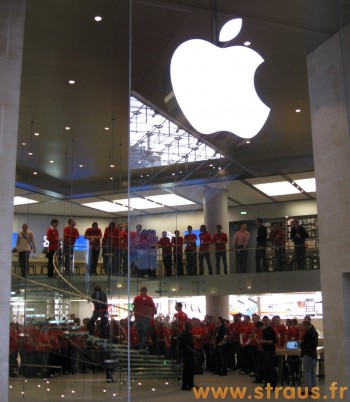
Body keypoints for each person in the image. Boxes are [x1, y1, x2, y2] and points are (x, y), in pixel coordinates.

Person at [133, 286, 157, 351]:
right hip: (146, 319)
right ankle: (143, 347)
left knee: (139, 334)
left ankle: (142, 347)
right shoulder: (149, 299)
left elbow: (134, 308)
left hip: (138, 318)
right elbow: (154, 310)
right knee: (144, 334)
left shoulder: (137, 298)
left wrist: (135, 318)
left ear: (140, 291)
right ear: (146, 291)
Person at [300, 320, 318, 395]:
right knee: (313, 372)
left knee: (307, 371)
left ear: (306, 325)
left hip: (308, 354)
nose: (302, 328)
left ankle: (309, 389)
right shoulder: (315, 332)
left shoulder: (309, 333)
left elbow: (306, 344)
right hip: (313, 354)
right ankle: (314, 387)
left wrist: (301, 344)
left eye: (303, 327)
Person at [260, 316, 278, 389]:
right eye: (264, 321)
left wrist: (263, 341)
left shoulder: (271, 330)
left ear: (268, 321)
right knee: (267, 368)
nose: (265, 322)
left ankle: (273, 385)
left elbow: (273, 341)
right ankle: (267, 385)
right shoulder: (264, 330)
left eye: (266, 321)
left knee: (271, 369)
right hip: (266, 351)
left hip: (270, 351)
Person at [179, 321, 196, 391]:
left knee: (191, 369)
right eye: (190, 325)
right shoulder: (184, 334)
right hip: (186, 354)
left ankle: (190, 384)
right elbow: (186, 345)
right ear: (187, 326)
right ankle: (185, 385)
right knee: (186, 370)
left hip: (190, 354)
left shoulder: (189, 334)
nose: (192, 326)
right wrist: (193, 350)